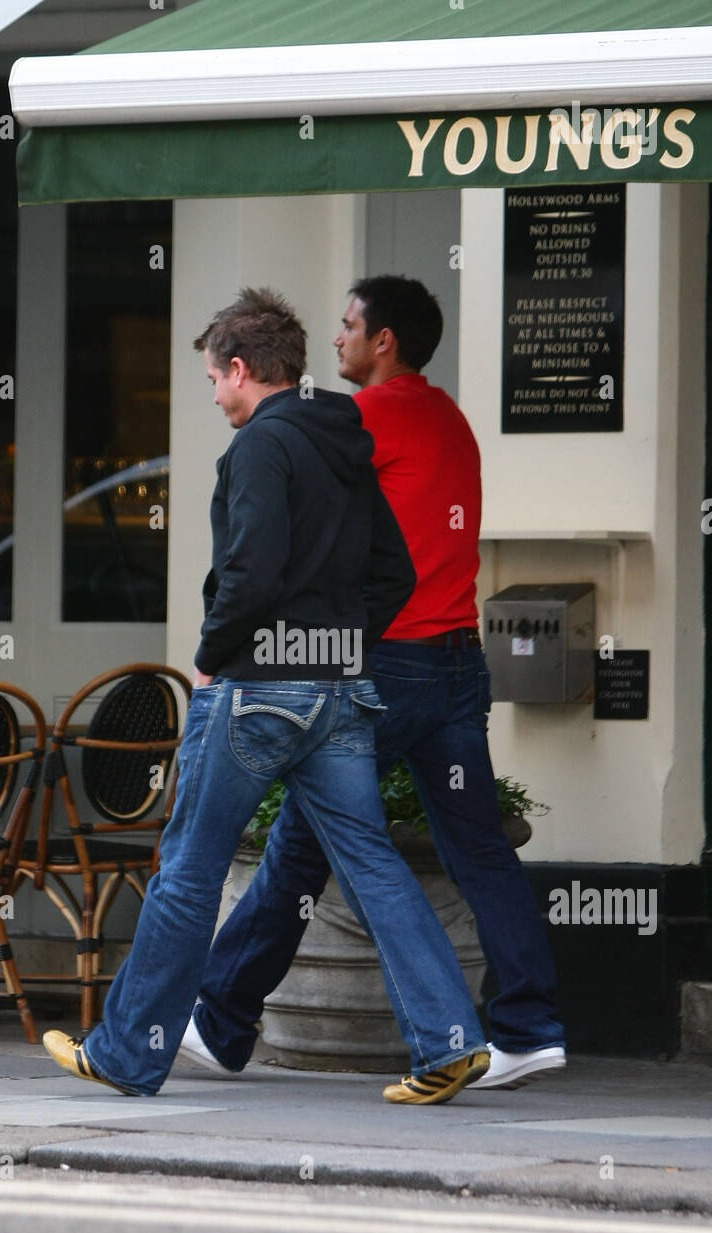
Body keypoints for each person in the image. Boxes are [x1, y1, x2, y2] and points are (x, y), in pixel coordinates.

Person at [43, 286, 489, 1105]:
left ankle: (128, 1053)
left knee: (187, 867)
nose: (214, 396)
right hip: (341, 691)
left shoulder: (257, 449)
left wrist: (213, 657)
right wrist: (344, 642)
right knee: (371, 864)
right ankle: (451, 1042)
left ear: (242, 369)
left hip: (256, 692)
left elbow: (247, 573)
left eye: (214, 379)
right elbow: (394, 572)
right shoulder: (344, 442)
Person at [180, 276, 566, 1091]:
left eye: (349, 326)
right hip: (460, 659)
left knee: (299, 843)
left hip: (393, 662)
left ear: (382, 340)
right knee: (480, 850)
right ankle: (528, 1028)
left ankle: (219, 1021)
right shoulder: (452, 418)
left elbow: (305, 502)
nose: (338, 340)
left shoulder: (366, 416)